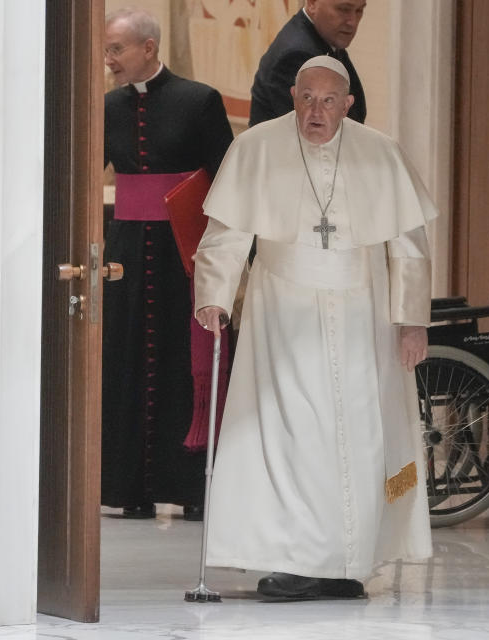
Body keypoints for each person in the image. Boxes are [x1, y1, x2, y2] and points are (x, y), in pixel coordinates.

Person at [194, 56, 435, 599]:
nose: (315, 112)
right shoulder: (255, 148)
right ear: (293, 98)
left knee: (360, 437)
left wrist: (411, 322)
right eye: (306, 98)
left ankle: (348, 561)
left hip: (363, 317)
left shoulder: (381, 152)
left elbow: (411, 248)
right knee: (291, 437)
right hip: (281, 315)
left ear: (348, 105)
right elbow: (226, 232)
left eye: (328, 101)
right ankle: (298, 558)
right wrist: (213, 296)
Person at [102, 8, 233, 521]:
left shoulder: (199, 101)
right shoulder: (109, 106)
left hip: (187, 252)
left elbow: (225, 179)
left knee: (184, 365)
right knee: (126, 358)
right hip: (127, 252)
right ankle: (127, 486)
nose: (109, 60)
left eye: (116, 49)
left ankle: (191, 487)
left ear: (149, 48)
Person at [249, 0, 367, 127]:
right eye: (344, 9)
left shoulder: (326, 40)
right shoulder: (296, 55)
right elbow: (317, 134)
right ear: (312, 3)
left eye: (359, 10)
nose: (353, 22)